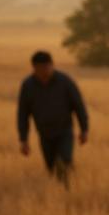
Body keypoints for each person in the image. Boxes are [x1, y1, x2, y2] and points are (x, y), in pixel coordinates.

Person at [17, 50, 89, 184]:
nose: (44, 71)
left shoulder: (65, 82)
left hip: (64, 131)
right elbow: (23, 114)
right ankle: (63, 188)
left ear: (52, 65)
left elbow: (79, 106)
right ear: (34, 68)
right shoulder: (28, 86)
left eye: (46, 67)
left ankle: (68, 189)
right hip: (44, 133)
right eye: (40, 68)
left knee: (64, 161)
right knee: (51, 168)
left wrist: (84, 129)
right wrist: (23, 139)